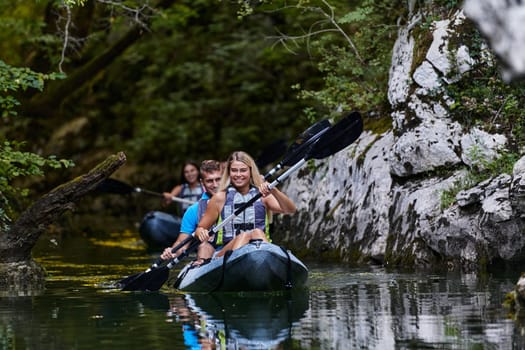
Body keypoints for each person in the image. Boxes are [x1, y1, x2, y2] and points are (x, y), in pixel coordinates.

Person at [193, 151, 296, 258]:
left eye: (243, 170)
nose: (238, 175)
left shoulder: (263, 195)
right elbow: (200, 228)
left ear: (251, 172)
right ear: (228, 173)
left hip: (260, 251)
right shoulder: (220, 198)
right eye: (234, 170)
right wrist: (201, 232)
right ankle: (237, 264)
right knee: (244, 236)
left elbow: (290, 210)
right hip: (228, 252)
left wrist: (274, 190)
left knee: (257, 233)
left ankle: (265, 262)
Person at [160, 160, 222, 262]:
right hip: (208, 252)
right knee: (203, 247)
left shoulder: (237, 201)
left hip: (234, 250)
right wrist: (172, 251)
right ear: (202, 183)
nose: (215, 185)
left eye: (218, 180)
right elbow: (181, 242)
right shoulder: (193, 211)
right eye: (210, 181)